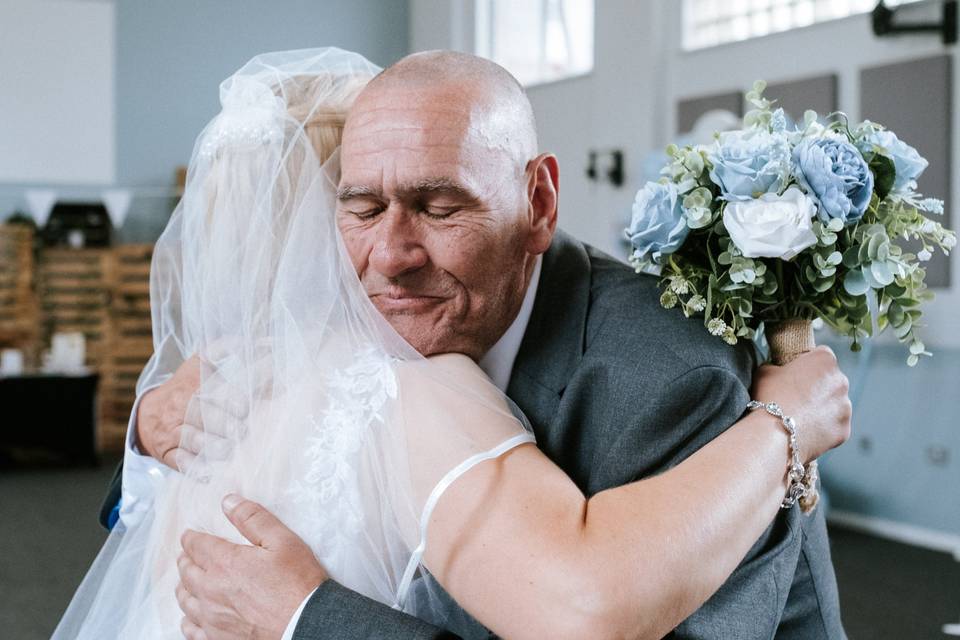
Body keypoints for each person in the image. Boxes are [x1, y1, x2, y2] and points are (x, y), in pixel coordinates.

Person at [95, 49, 851, 640]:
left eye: (439, 205)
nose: (391, 254)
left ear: (538, 204)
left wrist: (308, 621)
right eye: (360, 208)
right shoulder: (286, 358)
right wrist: (148, 428)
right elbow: (144, 530)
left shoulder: (667, 378)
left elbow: (594, 613)